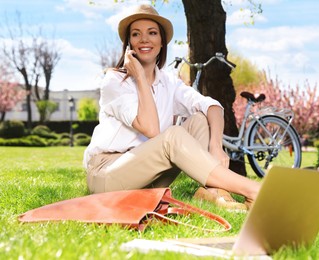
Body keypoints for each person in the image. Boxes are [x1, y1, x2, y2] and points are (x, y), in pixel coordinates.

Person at [83, 4, 260, 210]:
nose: (144, 39)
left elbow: (213, 106)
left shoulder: (168, 82)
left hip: (149, 179)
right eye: (136, 34)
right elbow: (151, 129)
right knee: (172, 136)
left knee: (200, 119)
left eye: (152, 33)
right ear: (129, 43)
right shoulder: (115, 81)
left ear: (161, 42)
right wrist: (139, 76)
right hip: (108, 174)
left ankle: (214, 191)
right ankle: (253, 191)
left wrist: (216, 146)